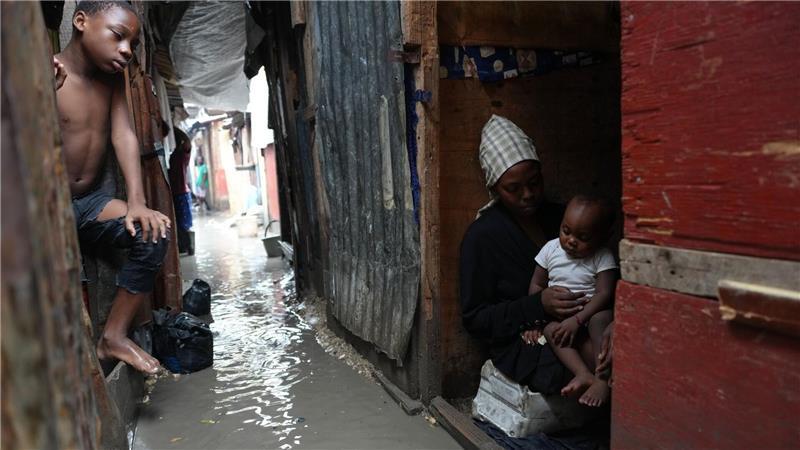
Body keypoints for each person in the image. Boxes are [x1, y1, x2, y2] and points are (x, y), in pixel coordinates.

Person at [54, 0, 170, 374]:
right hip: (39, 210)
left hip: (88, 203)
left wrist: (137, 201)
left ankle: (113, 337)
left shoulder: (112, 79)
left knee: (153, 233)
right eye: (118, 36)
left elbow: (123, 134)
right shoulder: (46, 73)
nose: (126, 49)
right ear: (81, 21)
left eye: (132, 44)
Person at [460, 115, 589, 395]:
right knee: (572, 362)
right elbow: (475, 319)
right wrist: (536, 306)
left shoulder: (563, 220)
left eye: (534, 182)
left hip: (582, 321)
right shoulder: (483, 237)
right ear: (494, 188)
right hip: (524, 343)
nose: (528, 195)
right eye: (513, 189)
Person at [528, 195, 617, 407]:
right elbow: (536, 286)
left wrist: (578, 320)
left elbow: (604, 294)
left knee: (600, 320)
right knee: (551, 331)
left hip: (589, 315)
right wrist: (535, 319)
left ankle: (602, 378)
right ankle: (583, 374)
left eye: (583, 237)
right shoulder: (550, 249)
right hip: (560, 317)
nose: (571, 240)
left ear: (603, 238)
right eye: (566, 231)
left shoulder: (602, 256)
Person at [168, 128, 194, 255]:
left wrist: (174, 128)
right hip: (176, 192)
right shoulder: (173, 156)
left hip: (181, 192)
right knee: (179, 222)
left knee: (182, 222)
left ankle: (188, 247)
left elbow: (188, 142)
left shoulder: (182, 154)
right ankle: (184, 247)